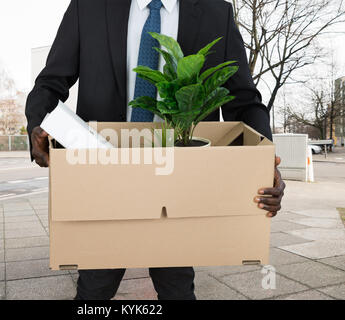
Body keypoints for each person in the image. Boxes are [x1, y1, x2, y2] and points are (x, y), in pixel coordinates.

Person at [25, 0, 286, 300]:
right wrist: (39, 127)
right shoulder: (89, 6)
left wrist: (265, 160)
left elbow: (243, 100)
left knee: (177, 290)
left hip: (178, 186)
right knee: (93, 292)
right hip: (104, 181)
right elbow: (50, 83)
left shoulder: (217, 13)